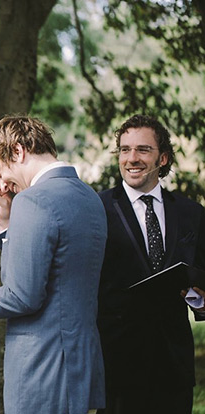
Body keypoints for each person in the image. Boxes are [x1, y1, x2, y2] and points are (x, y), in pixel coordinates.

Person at [0, 115, 107, 414]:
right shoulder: (90, 197)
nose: (2, 183)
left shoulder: (34, 200)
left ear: (18, 151)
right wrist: (8, 224)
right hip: (82, 364)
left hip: (42, 369)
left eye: (0, 170)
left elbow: (21, 296)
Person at [96, 114, 205, 414]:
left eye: (143, 149)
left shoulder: (190, 213)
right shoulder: (96, 208)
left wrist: (199, 299)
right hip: (118, 367)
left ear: (163, 157)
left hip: (174, 367)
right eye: (125, 149)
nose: (132, 158)